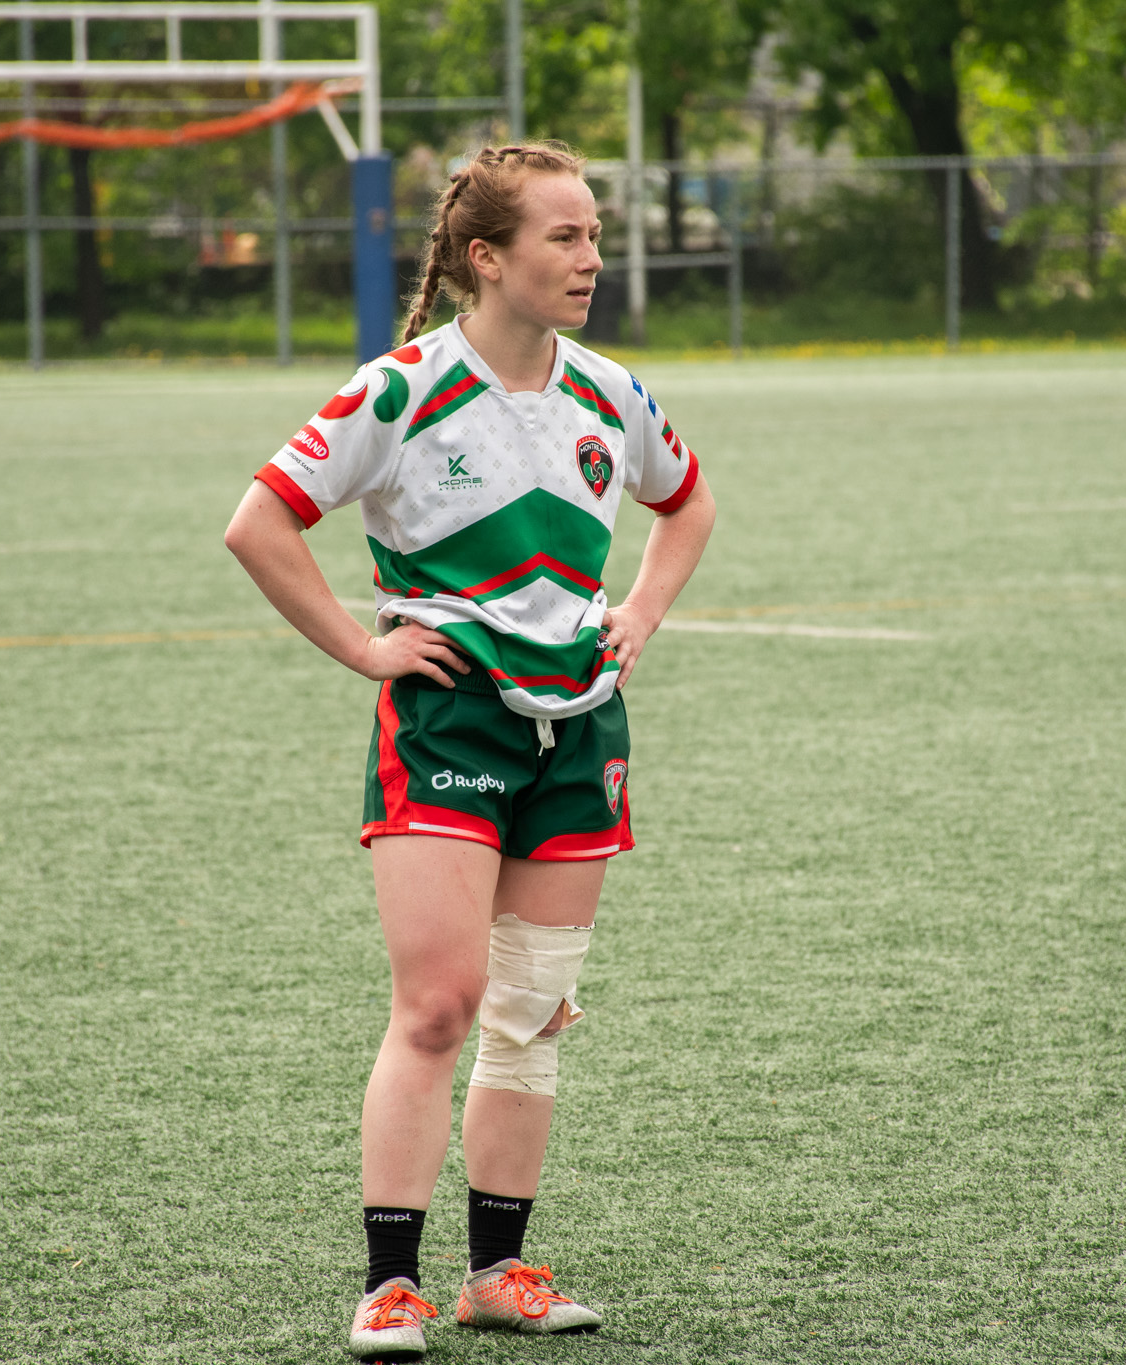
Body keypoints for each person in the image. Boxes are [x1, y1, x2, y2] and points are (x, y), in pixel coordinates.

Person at [223, 141, 717, 1360]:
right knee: (438, 1005)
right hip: (447, 716)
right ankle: (390, 1284)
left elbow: (687, 503)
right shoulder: (400, 389)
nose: (591, 256)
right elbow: (259, 522)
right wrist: (362, 648)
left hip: (579, 723)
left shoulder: (609, 390)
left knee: (531, 1009)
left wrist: (636, 617)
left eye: (594, 233)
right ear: (483, 258)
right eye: (564, 236)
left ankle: (496, 1272)